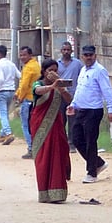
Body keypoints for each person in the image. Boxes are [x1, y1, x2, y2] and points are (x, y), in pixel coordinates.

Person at [67, 45, 112, 183]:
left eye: (91, 55)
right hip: (81, 109)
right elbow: (80, 89)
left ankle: (92, 173)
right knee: (76, 138)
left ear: (95, 56)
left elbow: (107, 90)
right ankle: (98, 163)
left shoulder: (100, 71)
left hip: (94, 110)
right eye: (86, 55)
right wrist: (73, 104)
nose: (88, 57)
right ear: (82, 56)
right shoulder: (83, 70)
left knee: (90, 140)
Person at [31, 59, 73, 202]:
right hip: (41, 126)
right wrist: (52, 86)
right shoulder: (39, 84)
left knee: (58, 154)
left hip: (56, 125)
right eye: (50, 70)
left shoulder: (58, 86)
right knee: (43, 157)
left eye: (56, 70)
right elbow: (37, 90)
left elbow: (69, 99)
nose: (53, 73)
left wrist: (61, 88)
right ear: (44, 72)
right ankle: (44, 193)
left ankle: (57, 193)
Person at [56, 41, 83, 153]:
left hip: (73, 97)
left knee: (73, 120)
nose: (66, 52)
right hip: (60, 95)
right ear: (61, 51)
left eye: (68, 50)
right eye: (64, 50)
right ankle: (62, 143)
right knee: (61, 120)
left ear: (71, 51)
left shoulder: (77, 64)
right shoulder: (57, 64)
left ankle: (72, 143)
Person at [0, 45, 20, 145]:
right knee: (6, 113)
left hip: (2, 91)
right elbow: (19, 75)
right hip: (11, 91)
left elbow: (0, 79)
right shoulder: (11, 64)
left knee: (2, 114)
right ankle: (2, 134)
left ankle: (8, 133)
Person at [15, 46, 40, 158]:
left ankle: (31, 148)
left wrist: (20, 97)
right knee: (33, 125)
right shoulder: (36, 65)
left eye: (24, 55)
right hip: (35, 99)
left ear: (30, 55)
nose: (22, 57)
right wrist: (17, 92)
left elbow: (25, 85)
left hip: (28, 99)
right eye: (20, 55)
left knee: (26, 125)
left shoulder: (29, 67)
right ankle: (36, 148)